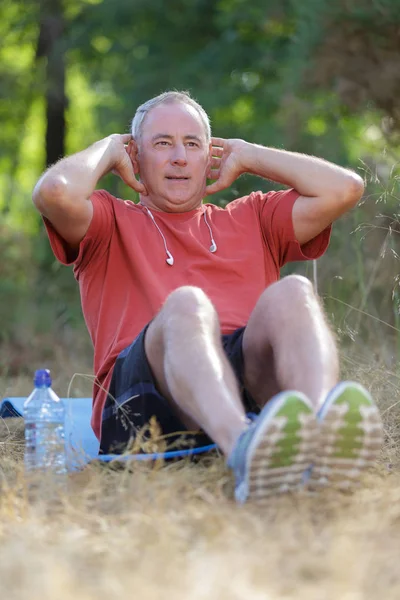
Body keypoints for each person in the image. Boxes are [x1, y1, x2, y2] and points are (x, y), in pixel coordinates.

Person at [33, 91, 383, 503]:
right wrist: (110, 148)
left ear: (209, 157)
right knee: (188, 303)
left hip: (243, 380)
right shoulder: (110, 220)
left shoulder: (252, 217)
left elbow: (345, 188)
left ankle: (320, 441)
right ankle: (244, 453)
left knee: (294, 292)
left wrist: (249, 154)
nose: (179, 157)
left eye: (193, 144)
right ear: (136, 157)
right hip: (143, 400)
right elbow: (54, 190)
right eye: (162, 143)